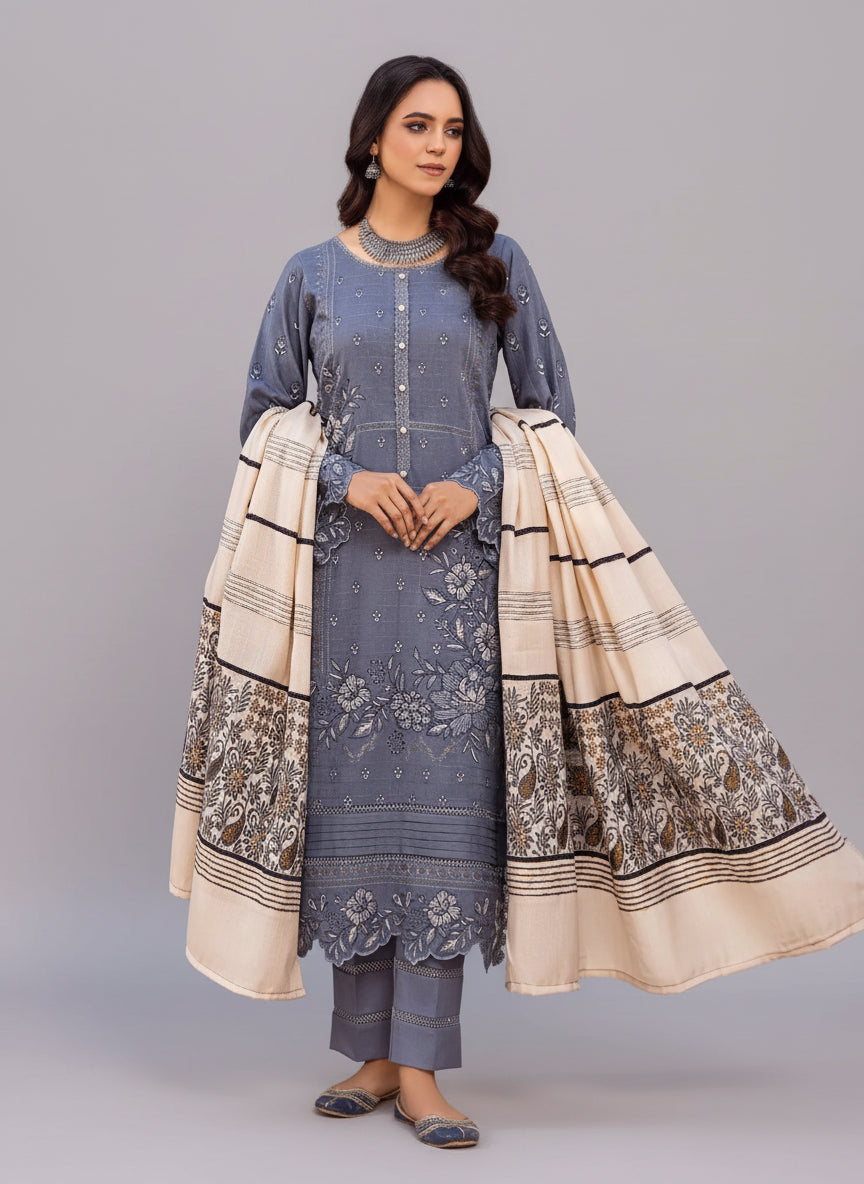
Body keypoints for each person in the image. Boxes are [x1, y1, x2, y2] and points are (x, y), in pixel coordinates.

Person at [236, 54, 574, 1148]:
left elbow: (550, 413)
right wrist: (348, 479)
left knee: (440, 816)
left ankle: (423, 1067)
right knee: (353, 814)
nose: (438, 144)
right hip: (343, 582)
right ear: (372, 138)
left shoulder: (493, 262)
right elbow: (262, 424)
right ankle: (372, 1056)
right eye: (417, 124)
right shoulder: (308, 278)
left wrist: (469, 484)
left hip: (457, 586)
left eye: (453, 129)